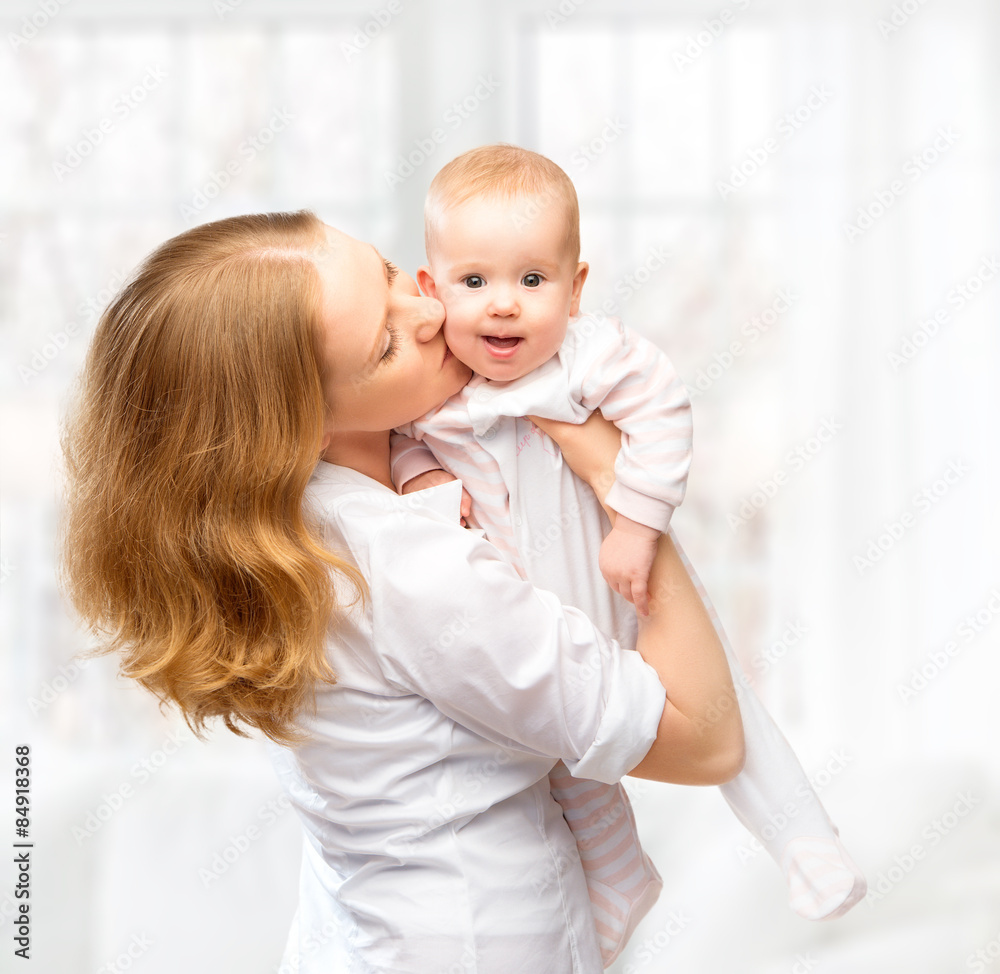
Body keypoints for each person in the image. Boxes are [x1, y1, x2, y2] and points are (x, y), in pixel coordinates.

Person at [58, 210, 744, 974]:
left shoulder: (287, 535)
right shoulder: (410, 571)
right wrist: (627, 493)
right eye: (385, 345)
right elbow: (707, 740)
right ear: (301, 427)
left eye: (387, 272)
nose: (429, 309)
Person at [389, 144, 867, 932]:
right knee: (570, 754)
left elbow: (664, 415)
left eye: (532, 280)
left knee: (728, 707)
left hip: (627, 579)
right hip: (544, 618)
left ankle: (808, 843)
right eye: (475, 283)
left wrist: (638, 529)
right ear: (431, 289)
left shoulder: (589, 354)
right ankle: (617, 878)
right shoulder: (438, 387)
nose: (502, 305)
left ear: (574, 289)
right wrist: (419, 478)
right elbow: (402, 439)